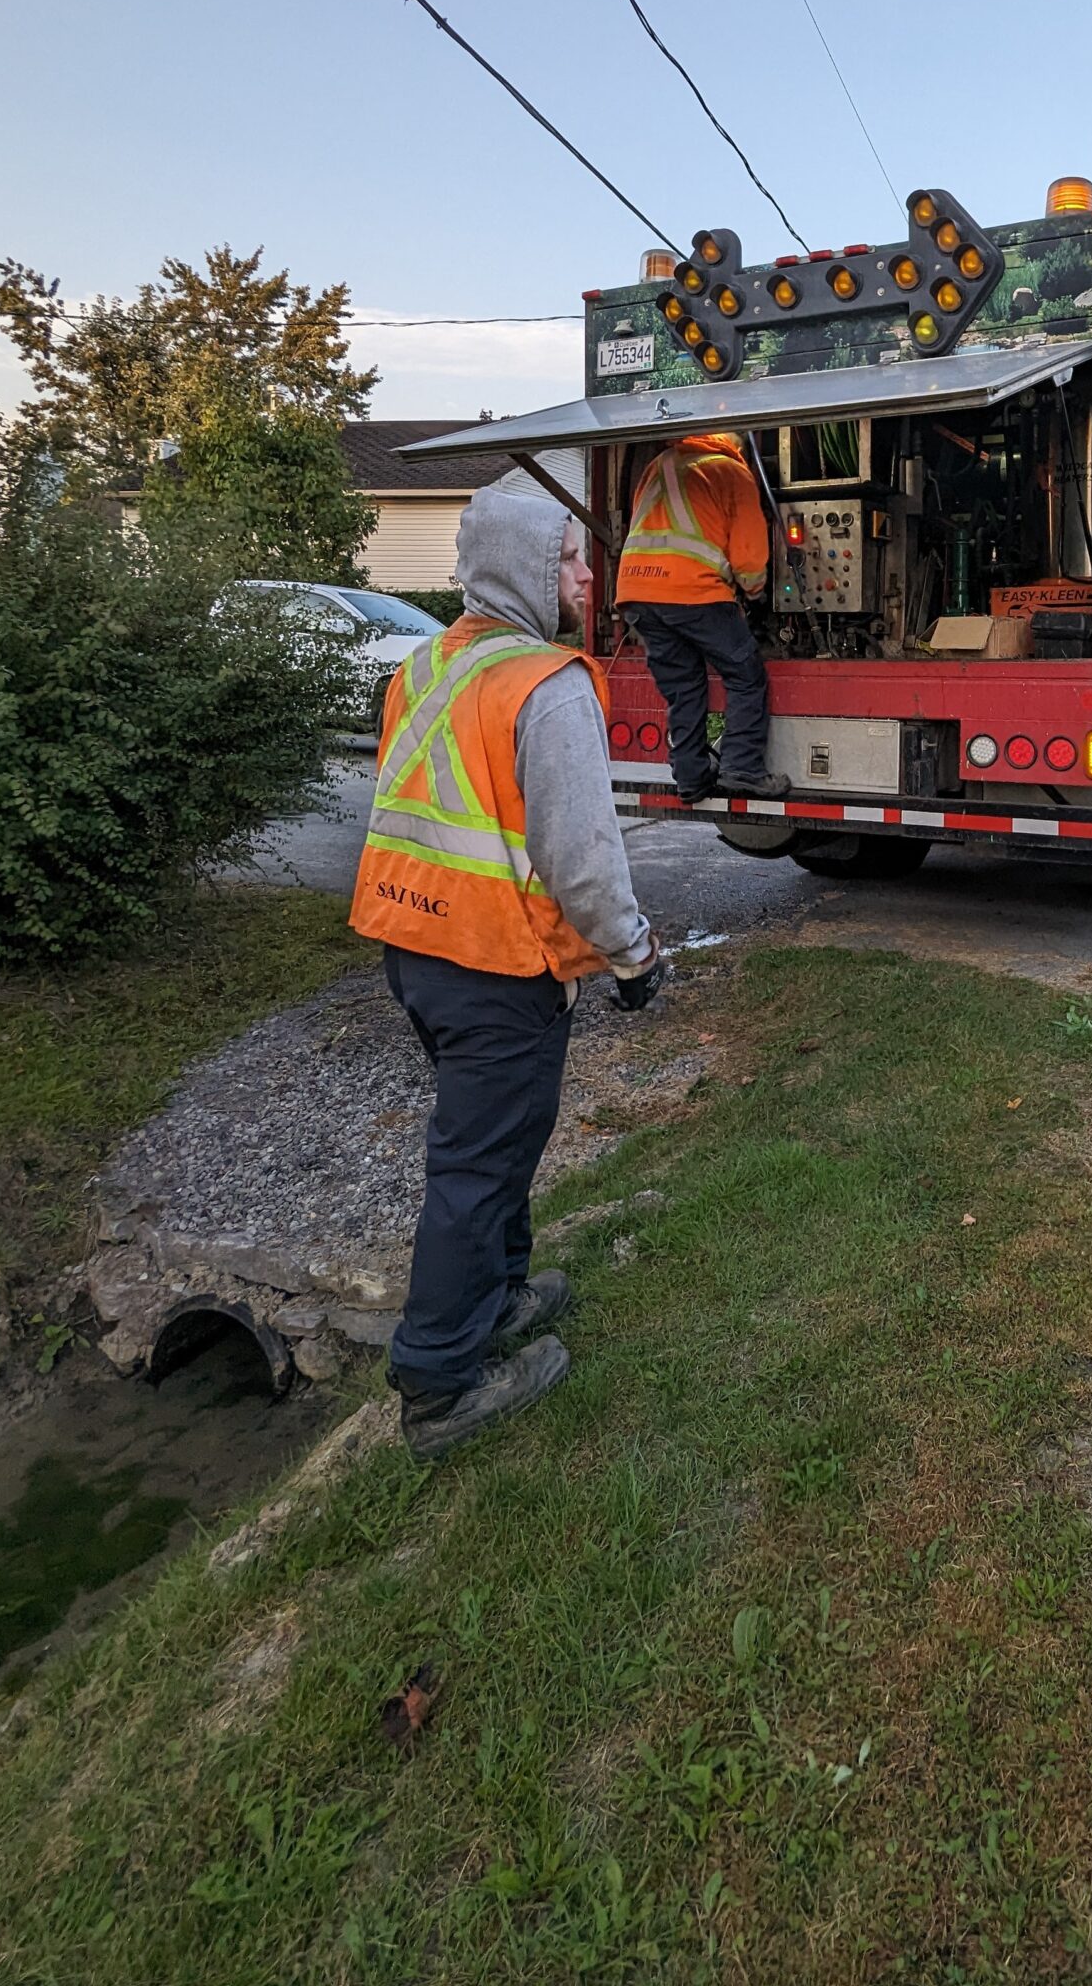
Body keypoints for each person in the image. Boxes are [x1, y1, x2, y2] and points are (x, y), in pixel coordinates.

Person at [350, 484, 665, 1459]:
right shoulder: (546, 682)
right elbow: (582, 861)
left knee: (502, 1138)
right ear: (525, 568)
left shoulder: (425, 666)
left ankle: (499, 1296)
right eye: (568, 560)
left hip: (415, 948)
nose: (586, 576)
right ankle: (440, 1382)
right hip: (496, 963)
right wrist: (633, 953)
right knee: (479, 1165)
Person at [616, 431, 788, 801]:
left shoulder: (659, 464)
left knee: (683, 685)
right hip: (693, 591)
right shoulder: (732, 471)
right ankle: (741, 768)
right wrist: (755, 593)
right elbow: (748, 555)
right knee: (745, 674)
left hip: (637, 592)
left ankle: (691, 777)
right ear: (737, 446)